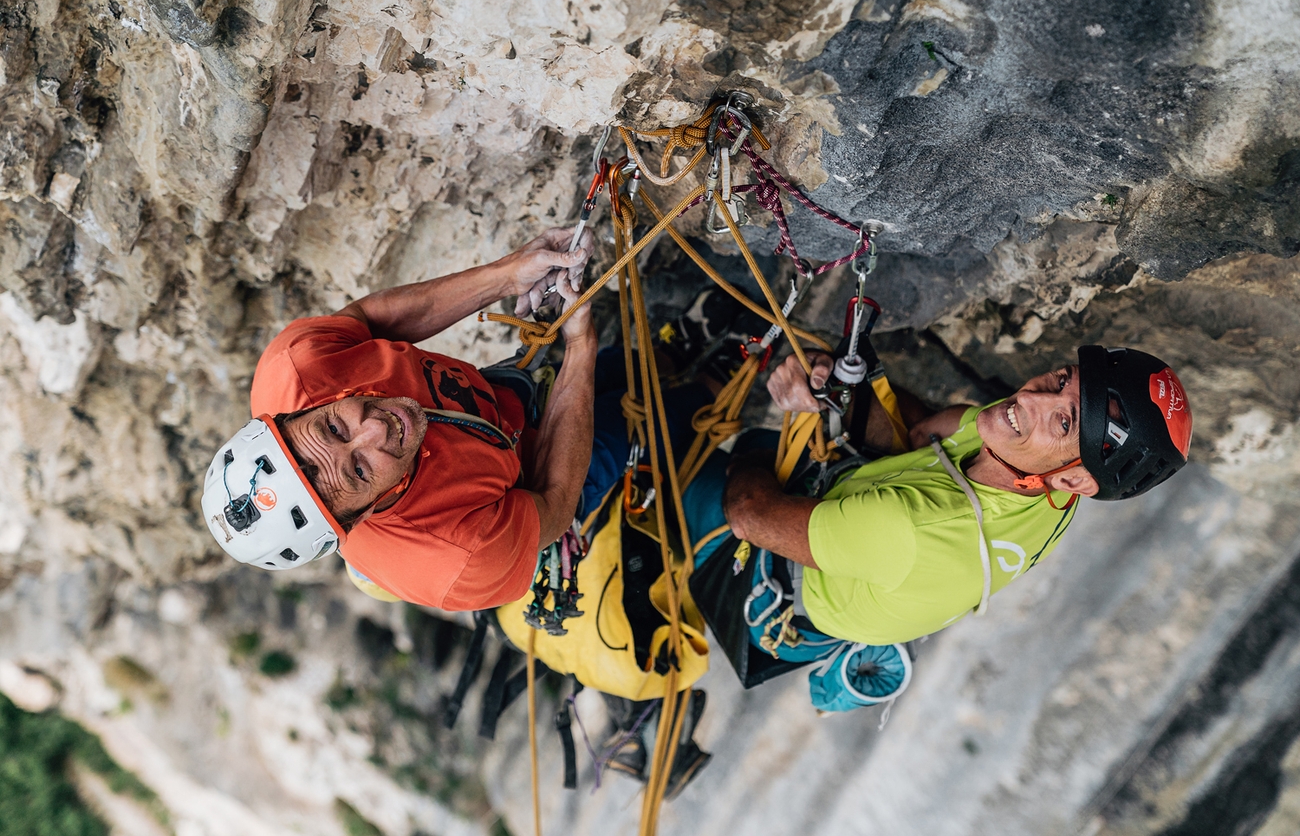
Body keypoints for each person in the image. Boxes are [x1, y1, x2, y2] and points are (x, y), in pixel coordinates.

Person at [684, 343, 1193, 678]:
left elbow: (750, 514)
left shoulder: (917, 528)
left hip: (789, 583)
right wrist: (836, 386)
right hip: (864, 526)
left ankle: (687, 388)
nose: (1033, 397)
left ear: (1073, 480)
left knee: (682, 462)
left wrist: (754, 448)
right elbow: (925, 432)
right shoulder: (1031, 463)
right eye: (1063, 380)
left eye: (1064, 422)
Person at [200, 227, 599, 610]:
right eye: (358, 470)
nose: (375, 429)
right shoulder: (458, 558)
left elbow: (368, 321)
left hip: (497, 404)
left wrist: (508, 274)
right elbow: (555, 501)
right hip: (536, 477)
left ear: (297, 411)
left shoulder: (297, 367)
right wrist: (581, 346)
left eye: (334, 427)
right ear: (362, 517)